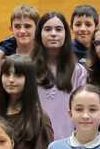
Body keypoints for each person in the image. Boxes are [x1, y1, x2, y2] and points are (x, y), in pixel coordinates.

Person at [34, 11, 88, 140]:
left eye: (58, 29)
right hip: (35, 143)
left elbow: (82, 109)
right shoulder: (28, 69)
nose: (53, 34)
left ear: (66, 34)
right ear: (39, 34)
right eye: (47, 29)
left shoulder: (78, 71)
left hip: (69, 142)